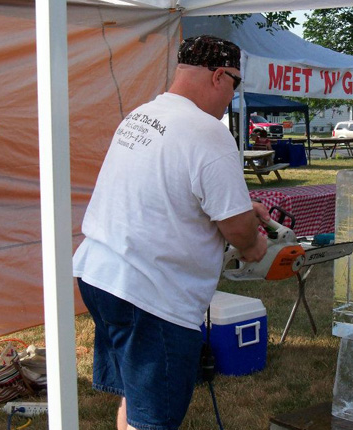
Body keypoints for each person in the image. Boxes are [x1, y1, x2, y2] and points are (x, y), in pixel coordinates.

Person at [73, 35, 268, 430]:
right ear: (219, 77)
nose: (232, 97)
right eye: (235, 84)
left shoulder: (143, 116)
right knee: (155, 419)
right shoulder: (208, 132)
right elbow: (239, 232)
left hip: (101, 275)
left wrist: (243, 210)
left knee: (136, 394)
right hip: (152, 295)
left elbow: (166, 192)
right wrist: (254, 243)